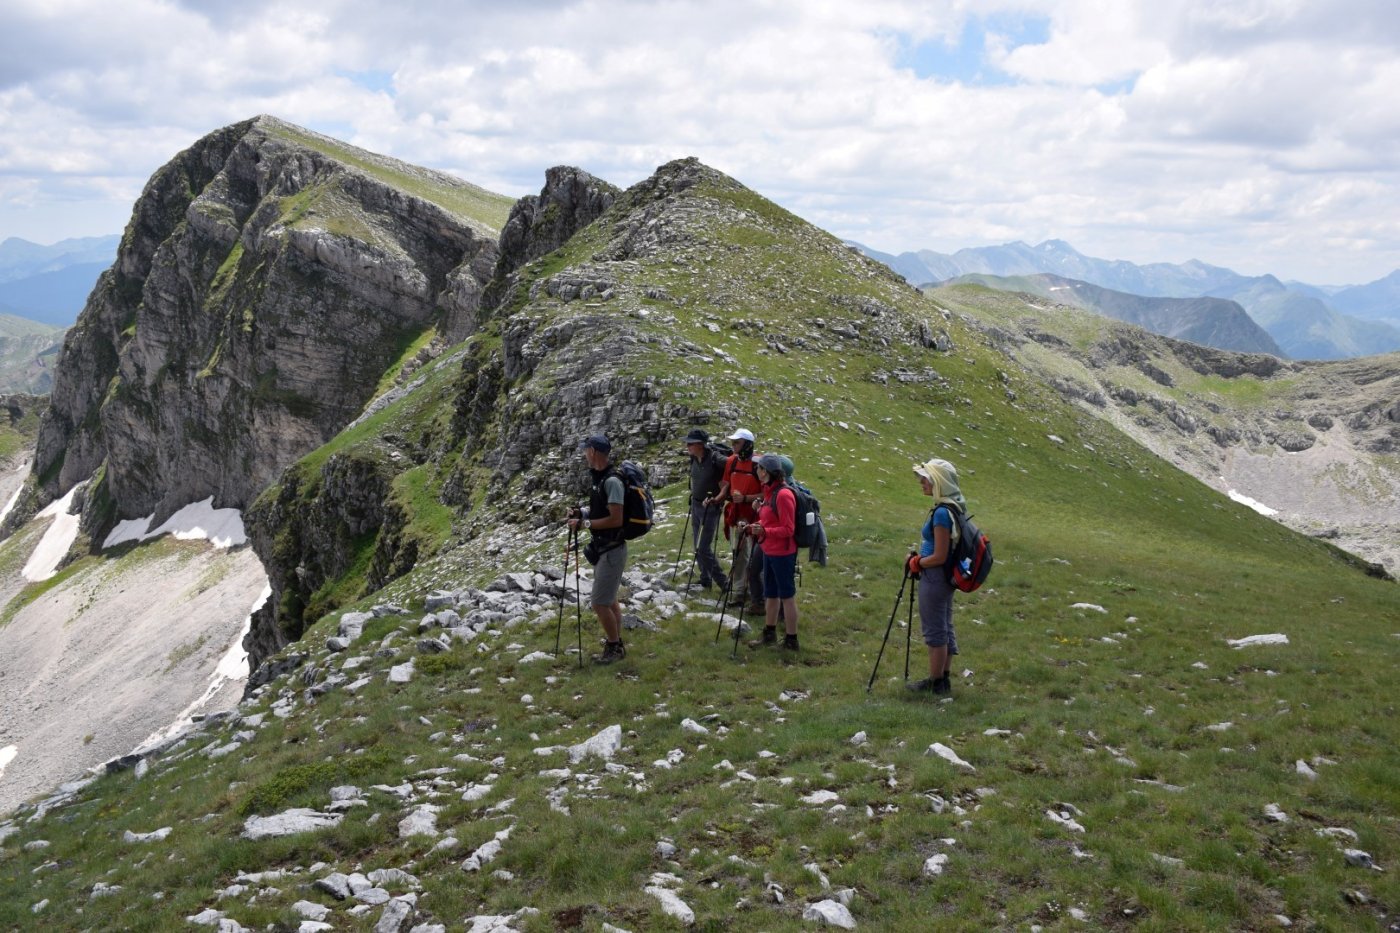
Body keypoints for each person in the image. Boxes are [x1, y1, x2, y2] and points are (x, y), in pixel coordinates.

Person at [906, 458, 965, 694]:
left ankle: (935, 681)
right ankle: (943, 678)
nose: (921, 482)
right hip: (945, 577)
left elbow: (940, 555)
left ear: (938, 482)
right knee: (944, 625)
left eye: (926, 479)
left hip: (935, 576)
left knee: (935, 630)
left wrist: (916, 562)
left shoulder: (942, 513)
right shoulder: (954, 506)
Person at [568, 434, 628, 664]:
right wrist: (581, 513)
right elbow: (599, 510)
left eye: (585, 450)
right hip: (605, 548)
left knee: (599, 602)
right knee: (609, 599)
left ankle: (614, 647)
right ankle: (616, 640)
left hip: (612, 549)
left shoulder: (611, 481)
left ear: (593, 452)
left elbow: (616, 519)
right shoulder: (601, 479)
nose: (584, 454)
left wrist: (585, 524)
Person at [747, 454, 799, 651]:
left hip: (783, 554)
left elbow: (788, 529)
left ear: (767, 471)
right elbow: (770, 520)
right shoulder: (769, 491)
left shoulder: (784, 495)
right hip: (769, 550)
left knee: (787, 596)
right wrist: (758, 518)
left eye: (759, 468)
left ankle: (791, 641)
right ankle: (769, 634)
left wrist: (764, 530)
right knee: (771, 594)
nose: (756, 471)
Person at [714, 428, 765, 614]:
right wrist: (722, 495)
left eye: (737, 442)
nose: (733, 445)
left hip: (757, 518)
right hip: (737, 517)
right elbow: (725, 482)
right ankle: (738, 593)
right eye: (733, 442)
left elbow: (766, 493)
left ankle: (757, 594)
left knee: (756, 557)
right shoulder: (731, 461)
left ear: (747, 444)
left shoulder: (759, 464)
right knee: (739, 554)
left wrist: (744, 498)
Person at [684, 429, 728, 591]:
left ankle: (723, 582)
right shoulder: (693, 458)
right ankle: (705, 578)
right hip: (695, 505)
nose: (687, 446)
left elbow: (731, 466)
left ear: (700, 445)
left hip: (711, 508)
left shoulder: (715, 458)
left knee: (703, 548)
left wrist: (719, 497)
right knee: (697, 546)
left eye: (690, 443)